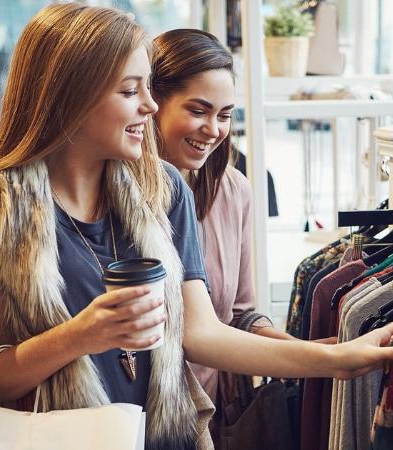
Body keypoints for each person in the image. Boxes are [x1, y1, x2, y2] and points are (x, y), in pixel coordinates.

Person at [0, 5, 393, 450]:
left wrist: (340, 360)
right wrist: (77, 337)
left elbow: (204, 334)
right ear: (70, 97)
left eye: (148, 88)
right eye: (131, 91)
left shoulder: (163, 189)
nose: (149, 107)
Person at [150, 28, 328, 405]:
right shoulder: (115, 194)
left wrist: (306, 349)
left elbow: (240, 315)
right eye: (197, 111)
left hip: (209, 411)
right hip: (134, 416)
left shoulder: (233, 191)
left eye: (225, 115)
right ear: (153, 102)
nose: (213, 130)